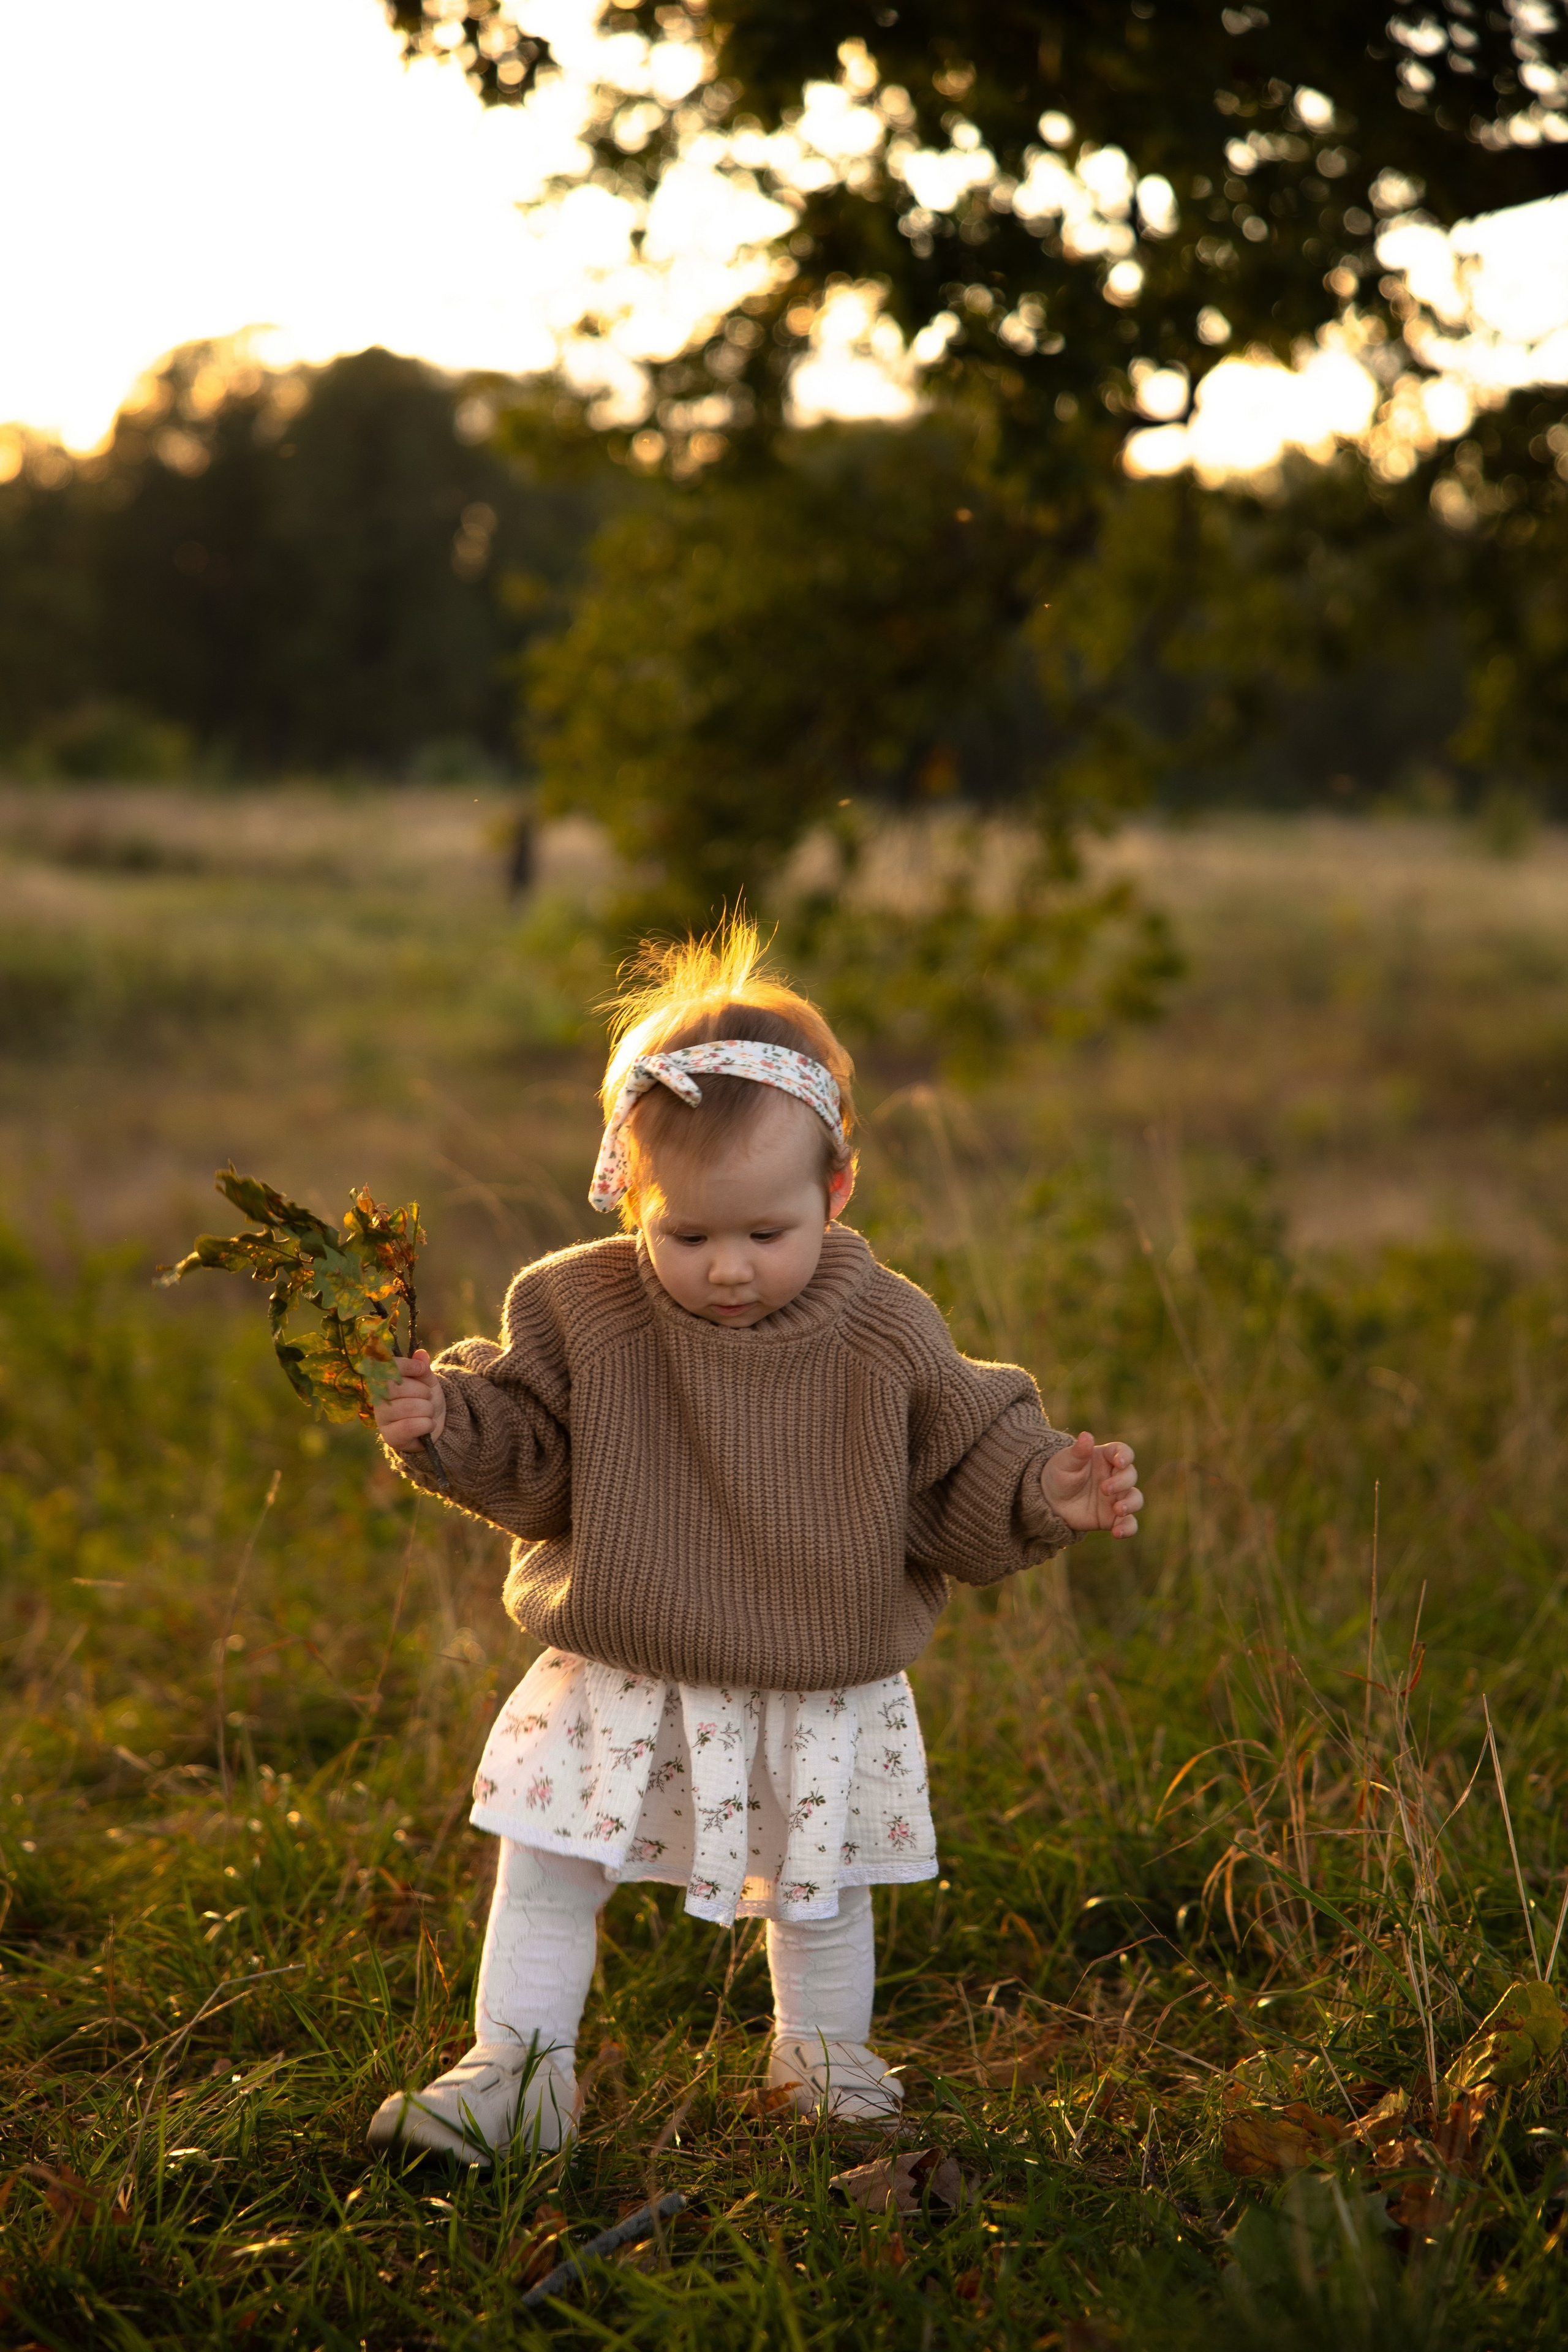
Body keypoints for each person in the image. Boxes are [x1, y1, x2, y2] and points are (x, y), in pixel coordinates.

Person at [366, 924, 1141, 2165]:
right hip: (625, 1658)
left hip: (813, 1670)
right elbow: (537, 1455)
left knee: (816, 1890)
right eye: (686, 1237)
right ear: (629, 1197)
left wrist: (1045, 1488)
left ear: (836, 1192)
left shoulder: (885, 1328)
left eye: (764, 1235)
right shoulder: (580, 1308)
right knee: (549, 1861)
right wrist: (447, 1422)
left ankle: (820, 2065)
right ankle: (516, 2072)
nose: (727, 1269)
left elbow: (952, 1471)